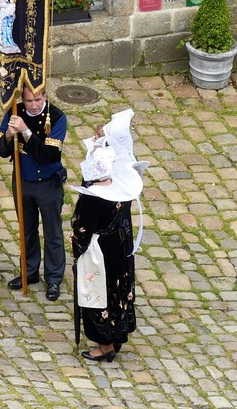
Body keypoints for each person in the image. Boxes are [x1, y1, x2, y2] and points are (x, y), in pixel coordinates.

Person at [70, 124, 144, 364]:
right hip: (119, 250)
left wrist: (77, 248)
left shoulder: (93, 198)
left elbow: (81, 228)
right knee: (118, 292)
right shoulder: (123, 186)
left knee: (99, 295)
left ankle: (105, 345)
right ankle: (117, 335)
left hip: (99, 252)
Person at [0, 81, 67, 300]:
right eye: (29, 100)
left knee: (53, 233)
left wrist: (25, 131)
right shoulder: (13, 112)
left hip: (48, 183)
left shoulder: (57, 117)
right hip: (23, 180)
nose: (34, 105)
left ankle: (54, 278)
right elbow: (1, 150)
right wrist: (8, 135)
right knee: (27, 230)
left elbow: (48, 156)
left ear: (45, 96)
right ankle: (29, 271)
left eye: (38, 99)